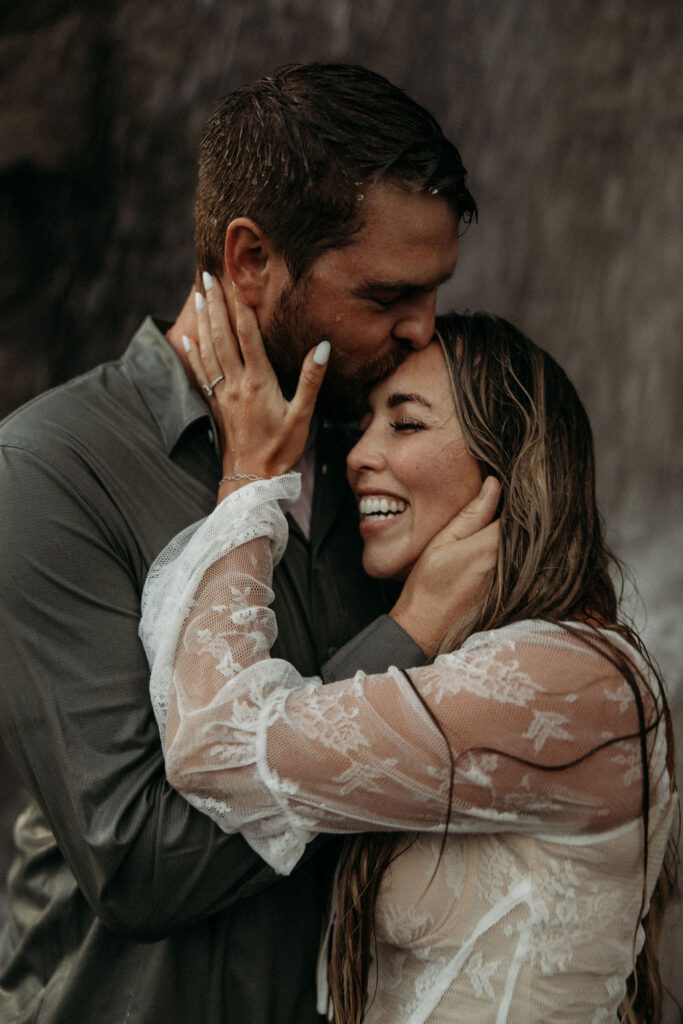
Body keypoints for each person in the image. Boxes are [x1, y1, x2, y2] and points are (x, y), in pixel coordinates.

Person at [0, 64, 478, 1024]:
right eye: (386, 294)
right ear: (251, 260)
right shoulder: (49, 468)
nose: (423, 328)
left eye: (433, 291)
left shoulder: (388, 461)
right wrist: (410, 636)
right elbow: (139, 862)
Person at [140, 285, 677, 1023]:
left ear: (508, 458)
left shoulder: (571, 681)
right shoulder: (489, 665)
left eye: (405, 424)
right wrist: (417, 621)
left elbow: (218, 744)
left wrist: (250, 477)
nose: (358, 455)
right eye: (364, 425)